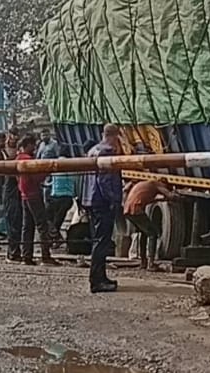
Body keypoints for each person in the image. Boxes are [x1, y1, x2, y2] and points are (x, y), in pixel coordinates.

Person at [83, 124, 124, 293]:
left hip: (91, 200)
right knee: (102, 241)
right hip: (103, 202)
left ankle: (100, 277)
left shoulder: (93, 150)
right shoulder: (107, 152)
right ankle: (97, 281)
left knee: (98, 240)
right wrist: (114, 199)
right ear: (116, 136)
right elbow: (105, 181)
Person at [17, 135, 60, 265]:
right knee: (42, 225)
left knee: (27, 227)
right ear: (27, 145)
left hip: (24, 195)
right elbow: (36, 178)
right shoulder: (29, 160)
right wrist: (46, 172)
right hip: (34, 195)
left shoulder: (18, 159)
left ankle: (26, 256)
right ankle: (45, 256)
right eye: (33, 145)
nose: (35, 147)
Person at [123, 179, 177, 271]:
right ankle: (151, 264)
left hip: (128, 209)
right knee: (152, 234)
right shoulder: (157, 184)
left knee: (144, 233)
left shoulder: (146, 184)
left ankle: (143, 262)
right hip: (136, 209)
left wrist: (162, 198)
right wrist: (177, 195)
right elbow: (170, 196)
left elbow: (149, 199)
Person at [46, 144, 76, 243]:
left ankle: (54, 238)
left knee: (50, 219)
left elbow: (51, 180)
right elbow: (73, 180)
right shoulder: (71, 164)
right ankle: (55, 238)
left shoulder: (54, 162)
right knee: (58, 221)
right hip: (66, 196)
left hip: (55, 195)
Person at [3, 130, 23, 262]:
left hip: (14, 196)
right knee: (14, 225)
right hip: (12, 196)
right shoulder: (9, 159)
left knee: (16, 225)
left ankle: (14, 252)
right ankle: (12, 252)